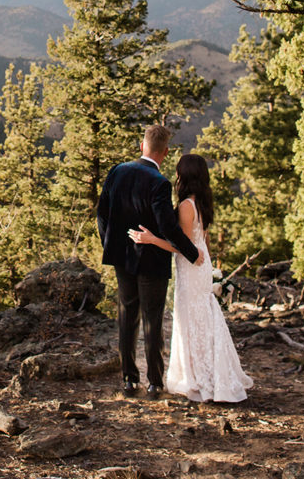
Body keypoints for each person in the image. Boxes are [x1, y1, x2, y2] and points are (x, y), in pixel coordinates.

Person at [130, 153, 252, 403]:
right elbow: (203, 240)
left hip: (192, 267)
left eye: (178, 171)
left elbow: (182, 246)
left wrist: (151, 239)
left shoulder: (186, 205)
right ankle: (211, 372)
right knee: (202, 317)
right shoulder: (203, 202)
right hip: (201, 265)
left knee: (191, 318)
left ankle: (199, 376)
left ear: (184, 176)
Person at [96, 124, 200, 399]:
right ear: (165, 152)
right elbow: (168, 226)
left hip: (121, 257)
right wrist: (192, 253)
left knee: (127, 316)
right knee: (152, 319)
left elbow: (102, 213)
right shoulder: (159, 183)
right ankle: (154, 383)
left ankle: (129, 380)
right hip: (152, 261)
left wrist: (110, 244)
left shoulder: (117, 171)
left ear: (142, 146)